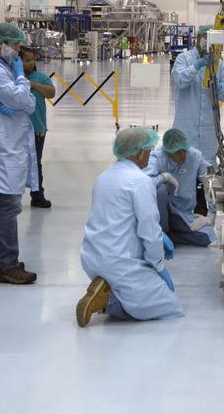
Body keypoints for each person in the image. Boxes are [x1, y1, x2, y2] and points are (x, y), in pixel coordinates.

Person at [77, 126, 184, 326]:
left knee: (142, 294)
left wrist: (161, 235)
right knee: (170, 305)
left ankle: (107, 288)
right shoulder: (141, 182)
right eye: (148, 151)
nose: (149, 156)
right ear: (139, 153)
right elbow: (149, 231)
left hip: (91, 257)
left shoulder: (103, 177)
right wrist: (159, 265)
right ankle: (108, 301)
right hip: (119, 262)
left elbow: (115, 217)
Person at [0, 23, 39, 285]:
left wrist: (20, 92)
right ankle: (6, 264)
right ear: (0, 43)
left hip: (11, 141)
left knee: (4, 202)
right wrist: (22, 80)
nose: (17, 50)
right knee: (9, 203)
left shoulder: (4, 67)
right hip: (2, 144)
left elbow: (29, 103)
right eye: (14, 44)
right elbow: (22, 100)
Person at [171, 24, 224, 166]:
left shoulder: (218, 64)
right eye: (205, 37)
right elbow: (180, 81)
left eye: (212, 38)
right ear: (198, 38)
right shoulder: (183, 59)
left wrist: (219, 88)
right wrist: (196, 66)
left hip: (209, 127)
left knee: (208, 166)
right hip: (186, 125)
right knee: (184, 165)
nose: (208, 41)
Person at [145, 129, 214, 247]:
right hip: (163, 211)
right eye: (177, 152)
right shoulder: (158, 157)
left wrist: (211, 215)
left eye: (184, 150)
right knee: (161, 190)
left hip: (183, 213)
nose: (182, 155)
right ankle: (163, 231)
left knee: (206, 237)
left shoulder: (195, 156)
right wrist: (164, 177)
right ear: (168, 151)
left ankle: (170, 236)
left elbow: (211, 181)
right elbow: (144, 182)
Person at [21, 46, 56, 209]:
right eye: (27, 60)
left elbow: (51, 92)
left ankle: (37, 195)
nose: (31, 63)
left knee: (36, 162)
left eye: (32, 60)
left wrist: (34, 85)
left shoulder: (41, 77)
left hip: (37, 128)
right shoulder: (13, 77)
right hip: (18, 129)